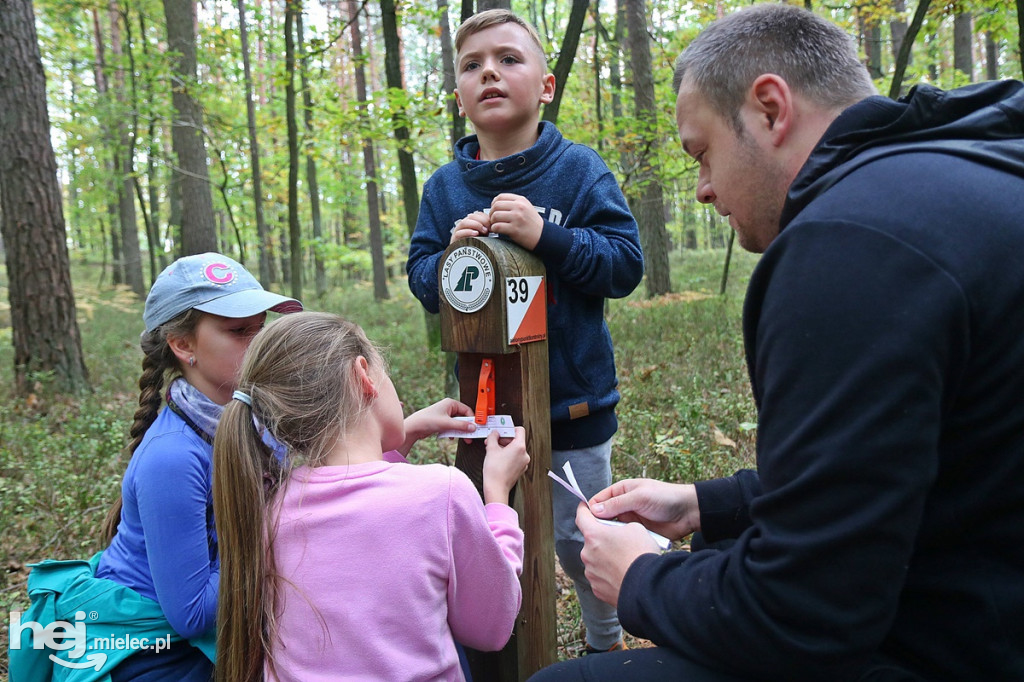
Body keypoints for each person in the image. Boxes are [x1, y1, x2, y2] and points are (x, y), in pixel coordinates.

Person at [529, 4, 1024, 681]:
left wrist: (642, 579)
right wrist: (710, 504)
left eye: (702, 153)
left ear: (768, 109)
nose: (702, 191)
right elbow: (905, 473)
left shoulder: (852, 245)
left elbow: (804, 616)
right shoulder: (969, 177)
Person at [406, 9, 644, 655]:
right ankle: (501, 652)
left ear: (545, 83)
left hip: (575, 406)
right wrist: (451, 258)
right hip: (488, 412)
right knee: (490, 533)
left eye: (509, 59)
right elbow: (421, 277)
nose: (489, 72)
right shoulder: (446, 189)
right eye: (472, 64)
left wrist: (548, 237)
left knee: (580, 539)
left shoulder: (578, 169)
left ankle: (602, 645)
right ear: (458, 94)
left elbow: (624, 265)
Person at [8, 253, 302, 682]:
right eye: (239, 332)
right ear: (183, 346)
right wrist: (286, 522)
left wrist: (394, 436)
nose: (258, 343)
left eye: (261, 328)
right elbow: (193, 614)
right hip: (158, 658)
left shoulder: (253, 417)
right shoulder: (173, 457)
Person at [212, 311, 530, 682]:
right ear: (363, 375)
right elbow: (490, 627)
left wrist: (402, 435)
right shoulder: (442, 494)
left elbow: (358, 504)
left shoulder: (270, 506)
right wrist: (497, 498)